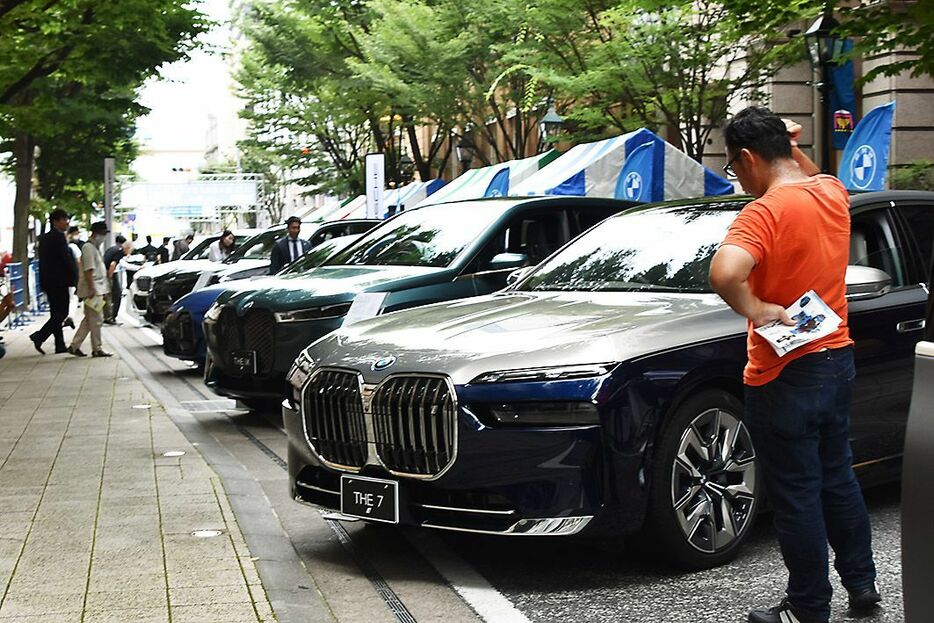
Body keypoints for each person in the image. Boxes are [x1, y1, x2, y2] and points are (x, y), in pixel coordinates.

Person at [708, 106, 879, 623]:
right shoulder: (830, 193)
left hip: (782, 374)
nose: (735, 178)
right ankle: (862, 585)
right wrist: (788, 143)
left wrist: (759, 310)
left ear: (746, 157)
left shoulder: (763, 213)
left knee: (797, 494)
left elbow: (724, 272)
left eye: (734, 167)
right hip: (836, 359)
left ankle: (807, 608)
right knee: (838, 478)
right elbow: (804, 172)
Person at [29, 209, 79, 354]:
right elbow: (65, 259)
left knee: (55, 312)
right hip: (59, 281)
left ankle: (59, 344)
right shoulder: (58, 237)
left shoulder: (44, 238)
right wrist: (75, 277)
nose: (66, 222)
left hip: (48, 280)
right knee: (62, 312)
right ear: (55, 221)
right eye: (64, 220)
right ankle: (40, 336)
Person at [68, 221, 113, 358]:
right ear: (96, 233)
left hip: (96, 288)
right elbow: (89, 269)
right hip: (93, 290)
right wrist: (92, 288)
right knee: (97, 319)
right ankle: (97, 348)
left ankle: (74, 346)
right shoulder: (88, 248)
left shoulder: (93, 248)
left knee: (89, 319)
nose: (104, 237)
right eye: (103, 234)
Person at [103, 234, 127, 324]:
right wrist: (110, 277)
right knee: (116, 295)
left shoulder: (111, 248)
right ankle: (111, 317)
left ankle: (106, 316)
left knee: (107, 296)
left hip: (105, 272)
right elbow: (113, 264)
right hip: (110, 274)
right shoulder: (119, 250)